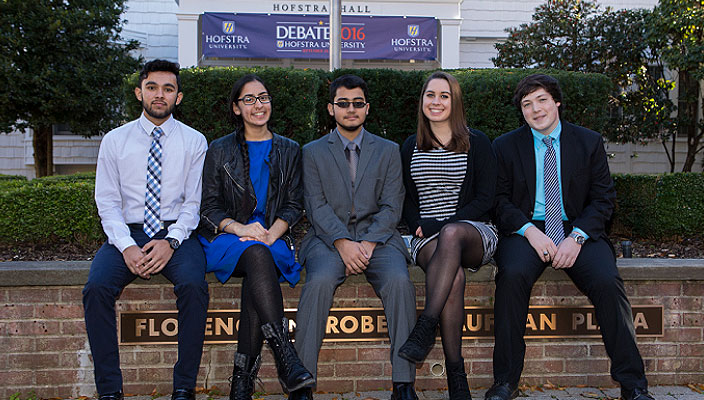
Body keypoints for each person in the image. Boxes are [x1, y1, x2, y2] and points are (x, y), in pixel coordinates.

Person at [487, 74, 654, 400]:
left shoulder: (588, 142)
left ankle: (633, 385)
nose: (535, 109)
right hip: (526, 229)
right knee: (512, 276)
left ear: (557, 102)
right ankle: (505, 382)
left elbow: (603, 200)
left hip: (577, 228)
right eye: (527, 104)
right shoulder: (505, 146)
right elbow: (499, 201)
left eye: (542, 100)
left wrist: (576, 238)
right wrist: (530, 232)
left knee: (607, 281)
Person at [83, 59, 209, 400]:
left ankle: (184, 387)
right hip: (128, 232)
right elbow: (107, 202)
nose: (159, 95)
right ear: (139, 92)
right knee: (96, 289)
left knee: (194, 287)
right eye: (152, 87)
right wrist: (126, 246)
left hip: (176, 234)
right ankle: (110, 390)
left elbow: (193, 204)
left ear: (178, 97)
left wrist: (171, 241)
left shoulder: (194, 141)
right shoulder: (115, 140)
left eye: (168, 89)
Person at [292, 75, 417, 400]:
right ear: (331, 109)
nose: (351, 109)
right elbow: (315, 205)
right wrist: (342, 242)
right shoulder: (312, 152)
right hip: (328, 240)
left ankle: (403, 384)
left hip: (380, 239)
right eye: (343, 103)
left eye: (357, 103)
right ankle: (302, 383)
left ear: (367, 108)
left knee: (400, 283)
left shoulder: (388, 150)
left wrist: (369, 243)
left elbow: (393, 205)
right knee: (318, 283)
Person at [197, 74, 313, 400]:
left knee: (258, 264)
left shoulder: (289, 149)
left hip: (271, 237)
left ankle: (241, 385)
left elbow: (294, 204)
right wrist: (241, 229)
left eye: (263, 97)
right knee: (256, 256)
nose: (258, 105)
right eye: (249, 99)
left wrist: (270, 234)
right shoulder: (220, 149)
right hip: (227, 237)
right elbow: (208, 207)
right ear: (237, 108)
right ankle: (285, 354)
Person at [398, 71, 498, 400]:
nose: (436, 102)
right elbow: (405, 198)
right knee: (453, 277)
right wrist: (417, 223)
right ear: (422, 101)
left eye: (444, 96)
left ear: (455, 102)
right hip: (426, 238)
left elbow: (486, 198)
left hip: (472, 231)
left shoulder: (477, 142)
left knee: (452, 233)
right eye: (431, 95)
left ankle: (426, 324)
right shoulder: (410, 146)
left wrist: (441, 225)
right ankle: (457, 376)